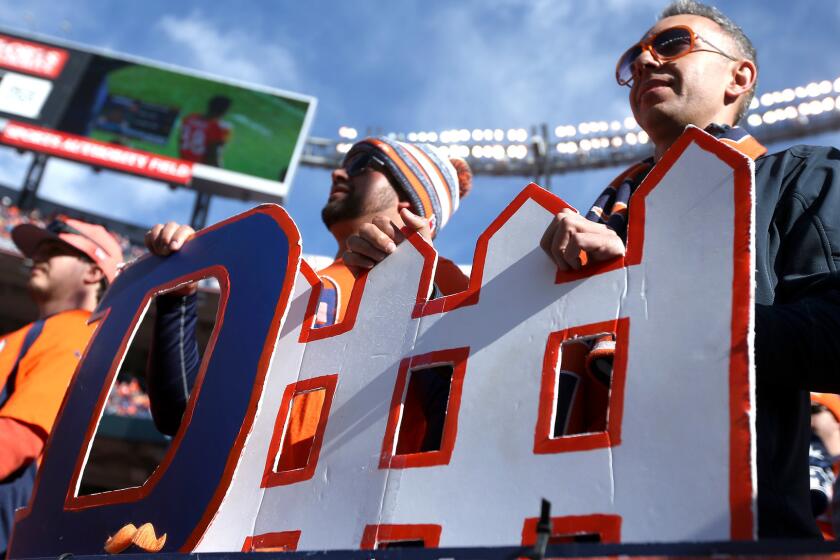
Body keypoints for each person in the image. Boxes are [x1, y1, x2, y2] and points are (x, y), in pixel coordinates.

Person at [540, 0, 840, 538]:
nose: (646, 62)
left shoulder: (802, 178)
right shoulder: (589, 227)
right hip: (557, 528)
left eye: (672, 44)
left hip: (729, 531)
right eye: (634, 59)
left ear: (739, 76)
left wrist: (643, 300)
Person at [144, 137, 473, 452]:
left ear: (407, 202)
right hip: (251, 503)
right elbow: (181, 416)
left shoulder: (444, 279)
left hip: (364, 503)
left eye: (362, 164)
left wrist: (419, 289)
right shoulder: (296, 282)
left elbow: (463, 420)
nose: (338, 172)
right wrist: (178, 298)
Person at [0, 217, 122, 553]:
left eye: (53, 250)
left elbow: (18, 439)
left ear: (93, 273)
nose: (38, 258)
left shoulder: (73, 331)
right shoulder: (31, 334)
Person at [178, 95, 233, 167]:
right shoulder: (217, 128)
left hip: (184, 162)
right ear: (224, 111)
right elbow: (213, 154)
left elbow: (181, 139)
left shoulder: (190, 118)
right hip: (200, 167)